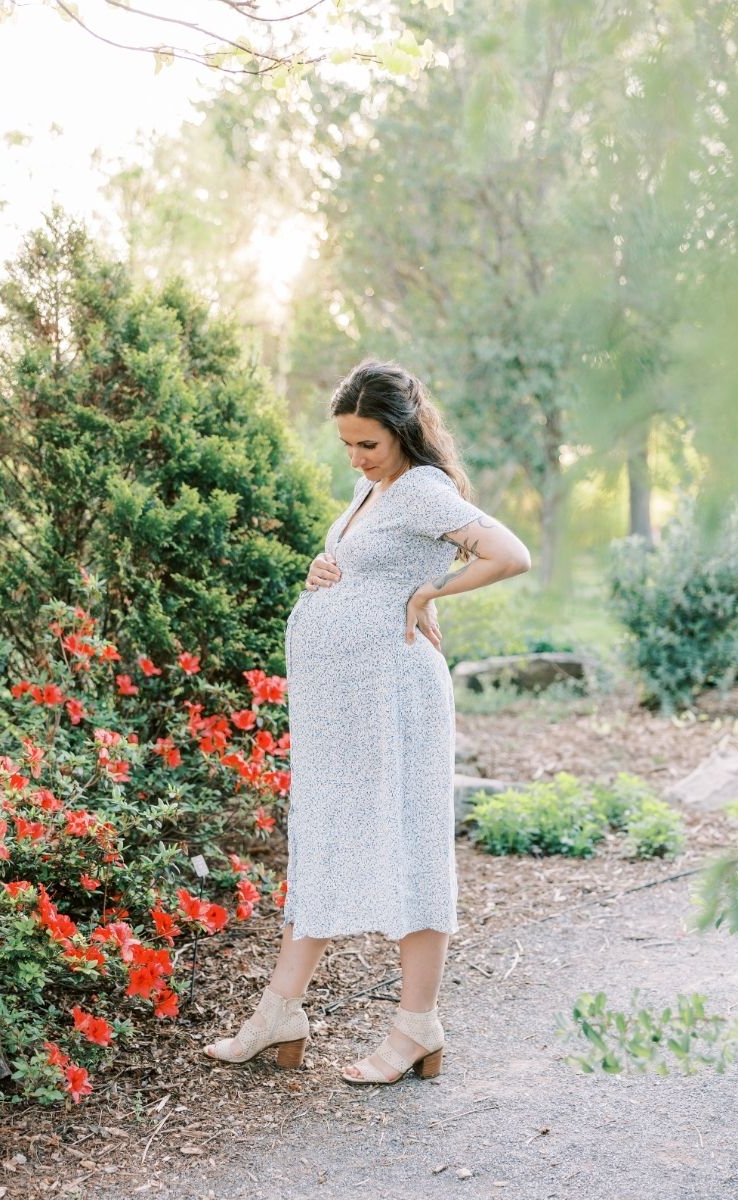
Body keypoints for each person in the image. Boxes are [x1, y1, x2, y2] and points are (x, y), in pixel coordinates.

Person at [203, 359, 531, 1085]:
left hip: (394, 701)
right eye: (347, 444)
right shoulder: (371, 489)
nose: (355, 457)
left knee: (411, 844)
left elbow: (511, 554)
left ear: (403, 432)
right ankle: (280, 1011)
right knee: (322, 840)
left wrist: (429, 591)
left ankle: (417, 1024)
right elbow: (371, 566)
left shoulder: (421, 488)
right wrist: (324, 571)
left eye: (368, 444)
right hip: (344, 707)